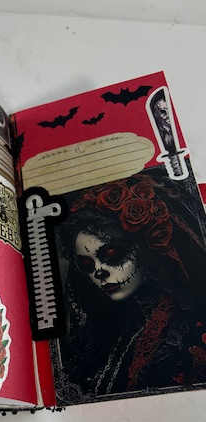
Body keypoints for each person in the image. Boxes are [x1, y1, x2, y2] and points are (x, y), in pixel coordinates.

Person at [53, 167, 206, 404]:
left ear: (147, 250)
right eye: (86, 265)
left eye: (112, 254)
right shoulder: (113, 331)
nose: (99, 272)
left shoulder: (189, 334)